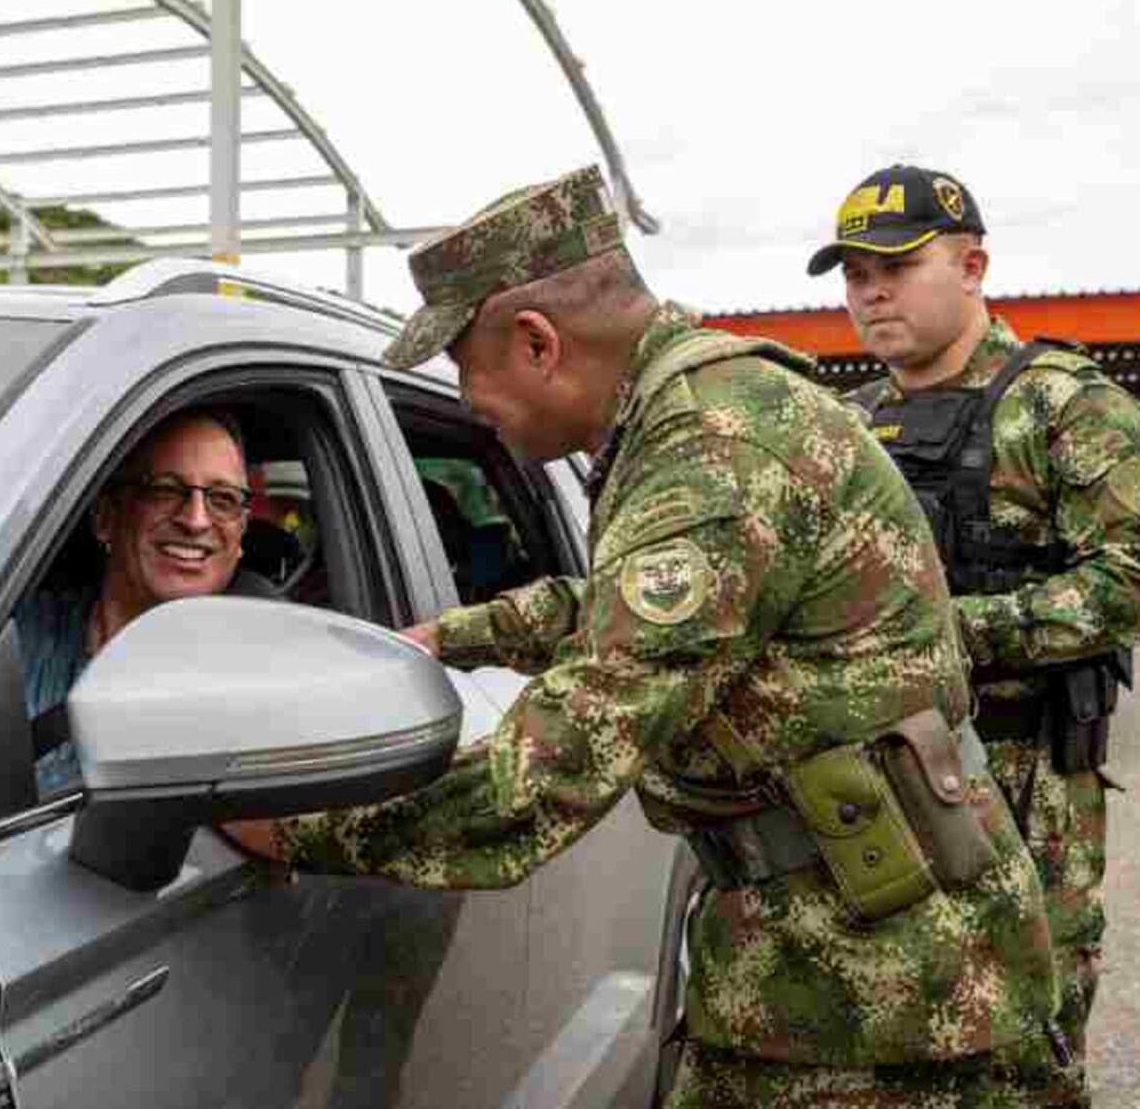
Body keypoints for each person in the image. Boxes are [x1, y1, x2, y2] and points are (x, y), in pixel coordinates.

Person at [240, 164, 1064, 1105]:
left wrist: (288, 826)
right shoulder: (689, 420)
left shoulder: (713, 452)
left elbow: (550, 771)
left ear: (538, 343)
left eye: (467, 373)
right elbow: (625, 602)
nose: (472, 405)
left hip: (892, 1008)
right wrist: (453, 635)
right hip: (822, 956)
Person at [808, 163, 1140, 1105]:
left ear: (972, 264)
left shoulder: (1063, 404)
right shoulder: (849, 425)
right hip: (875, 790)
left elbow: (1131, 574)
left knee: (1022, 1048)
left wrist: (954, 632)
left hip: (1025, 784)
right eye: (853, 273)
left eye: (895, 265)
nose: (869, 291)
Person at [17, 407, 256, 793]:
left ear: (241, 534)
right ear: (106, 516)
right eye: (165, 489)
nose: (195, 520)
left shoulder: (264, 675)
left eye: (223, 499)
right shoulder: (15, 639)